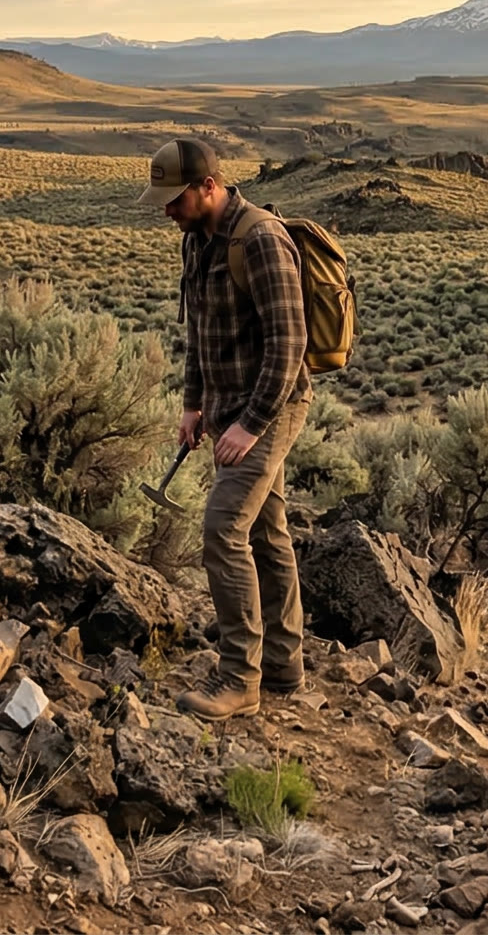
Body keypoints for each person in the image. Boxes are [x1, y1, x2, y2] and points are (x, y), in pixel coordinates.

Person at [141, 138, 309, 719]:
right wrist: (194, 404)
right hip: (228, 408)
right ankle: (285, 664)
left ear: (208, 185)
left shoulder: (260, 239)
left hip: (272, 406)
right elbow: (200, 332)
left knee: (222, 529)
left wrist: (251, 425)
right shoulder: (196, 239)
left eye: (175, 198)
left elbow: (290, 345)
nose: (167, 210)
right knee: (267, 531)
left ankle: (240, 679)